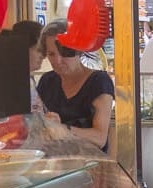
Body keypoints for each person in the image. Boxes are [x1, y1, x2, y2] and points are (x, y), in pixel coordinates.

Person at [35, 19, 115, 153]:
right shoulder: (47, 81)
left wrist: (62, 128)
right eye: (51, 54)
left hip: (89, 166)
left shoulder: (99, 81)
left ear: (79, 49)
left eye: (65, 52)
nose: (58, 61)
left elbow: (100, 138)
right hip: (55, 163)